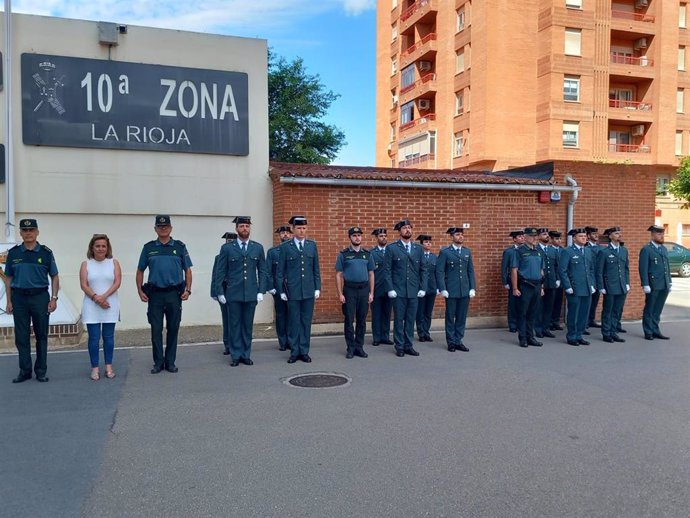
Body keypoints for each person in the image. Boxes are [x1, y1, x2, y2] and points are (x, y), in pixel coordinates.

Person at [136, 215, 193, 374]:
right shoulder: (148, 248)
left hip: (174, 294)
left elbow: (187, 270)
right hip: (155, 295)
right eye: (160, 227)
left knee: (173, 328)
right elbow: (140, 270)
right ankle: (158, 362)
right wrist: (140, 290)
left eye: (166, 226)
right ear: (155, 229)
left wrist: (188, 290)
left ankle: (170, 362)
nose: (163, 229)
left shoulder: (180, 247)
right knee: (156, 329)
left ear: (171, 228)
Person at [5, 218, 59, 383]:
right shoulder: (13, 254)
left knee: (41, 335)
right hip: (19, 298)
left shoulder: (46, 253)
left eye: (31, 230)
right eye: (25, 230)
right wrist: (9, 301)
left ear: (37, 232)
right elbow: (8, 279)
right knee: (21, 336)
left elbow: (54, 276)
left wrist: (54, 298)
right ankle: (25, 370)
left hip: (40, 298)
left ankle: (41, 371)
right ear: (20, 233)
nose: (28, 233)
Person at [215, 216, 268, 366]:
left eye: (247, 226)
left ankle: (246, 354)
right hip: (233, 293)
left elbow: (262, 270)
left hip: (251, 293)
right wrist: (219, 291)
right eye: (242, 226)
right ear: (236, 229)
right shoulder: (227, 248)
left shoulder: (257, 248)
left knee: (247, 325)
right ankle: (235, 355)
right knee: (234, 324)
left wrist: (261, 290)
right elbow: (221, 271)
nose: (245, 228)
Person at [276, 215, 321, 363]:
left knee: (306, 322)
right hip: (292, 291)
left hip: (308, 290)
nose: (302, 231)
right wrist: (281, 291)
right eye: (299, 228)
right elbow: (280, 272)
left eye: (304, 228)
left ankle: (304, 350)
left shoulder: (311, 245)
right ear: (293, 230)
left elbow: (316, 269)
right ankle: (294, 351)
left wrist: (317, 287)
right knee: (294, 321)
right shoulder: (285, 247)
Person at [79, 234, 122, 380]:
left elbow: (117, 282)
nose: (100, 248)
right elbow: (84, 284)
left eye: (103, 246)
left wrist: (103, 297)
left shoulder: (114, 263)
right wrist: (96, 298)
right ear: (92, 247)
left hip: (110, 304)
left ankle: (109, 367)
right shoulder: (86, 264)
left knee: (108, 337)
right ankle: (95, 368)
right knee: (94, 338)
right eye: (97, 246)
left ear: (107, 248)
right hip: (91, 305)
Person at [384, 219, 428, 357]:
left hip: (414, 291)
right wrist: (390, 288)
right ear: (399, 231)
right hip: (398, 291)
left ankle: (409, 345)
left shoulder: (418, 249)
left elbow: (423, 270)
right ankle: (399, 346)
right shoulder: (392, 248)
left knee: (410, 319)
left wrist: (423, 287)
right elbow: (387, 270)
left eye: (409, 228)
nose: (408, 230)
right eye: (405, 228)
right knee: (399, 319)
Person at [335, 226, 375, 359]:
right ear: (350, 238)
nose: (357, 238)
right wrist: (340, 293)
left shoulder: (367, 254)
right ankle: (350, 348)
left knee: (362, 320)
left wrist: (371, 293)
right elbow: (339, 275)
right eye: (354, 236)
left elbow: (371, 274)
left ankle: (359, 347)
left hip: (364, 290)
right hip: (349, 290)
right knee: (349, 320)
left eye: (359, 235)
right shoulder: (344, 254)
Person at [436, 227, 475, 352]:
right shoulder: (445, 252)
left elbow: (470, 271)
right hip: (451, 290)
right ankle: (451, 342)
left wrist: (472, 287)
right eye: (457, 235)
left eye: (461, 234)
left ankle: (459, 340)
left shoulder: (466, 252)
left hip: (464, 289)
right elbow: (440, 271)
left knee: (461, 317)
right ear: (451, 237)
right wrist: (442, 288)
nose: (460, 237)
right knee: (450, 316)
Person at [559, 228, 596, 346]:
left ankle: (579, 335)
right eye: (581, 236)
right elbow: (562, 270)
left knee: (584, 313)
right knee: (574, 313)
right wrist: (567, 286)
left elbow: (591, 269)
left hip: (587, 287)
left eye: (585, 236)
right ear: (574, 238)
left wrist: (592, 284)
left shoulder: (588, 251)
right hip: (574, 288)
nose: (584, 238)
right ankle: (572, 336)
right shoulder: (568, 251)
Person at [510, 227, 545, 348]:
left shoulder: (539, 251)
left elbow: (541, 270)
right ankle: (523, 338)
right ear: (525, 237)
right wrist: (515, 288)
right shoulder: (519, 251)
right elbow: (514, 270)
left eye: (536, 236)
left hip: (537, 285)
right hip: (524, 285)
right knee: (523, 313)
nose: (535, 238)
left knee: (532, 313)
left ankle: (531, 337)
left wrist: (541, 287)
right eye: (532, 236)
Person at [596, 226, 629, 343]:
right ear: (610, 236)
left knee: (617, 310)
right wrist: (601, 286)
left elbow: (626, 269)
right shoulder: (604, 252)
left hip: (621, 285)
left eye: (620, 233)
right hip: (610, 286)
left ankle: (613, 331)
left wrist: (627, 283)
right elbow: (599, 271)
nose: (619, 235)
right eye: (616, 233)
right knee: (608, 310)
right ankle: (606, 333)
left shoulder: (624, 250)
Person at [639, 225, 672, 340]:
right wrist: (645, 284)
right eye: (659, 234)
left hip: (664, 283)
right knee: (650, 308)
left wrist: (670, 281)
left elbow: (666, 266)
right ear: (652, 235)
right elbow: (643, 268)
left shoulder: (663, 249)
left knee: (658, 309)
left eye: (662, 234)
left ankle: (655, 330)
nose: (661, 236)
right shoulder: (646, 249)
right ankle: (648, 331)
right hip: (653, 284)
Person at [266, 225, 292, 351]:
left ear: (291, 235)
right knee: (281, 315)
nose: (285, 235)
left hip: (293, 288)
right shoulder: (272, 252)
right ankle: (283, 342)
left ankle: (292, 341)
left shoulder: (295, 250)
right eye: (283, 233)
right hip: (278, 288)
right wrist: (270, 286)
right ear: (279, 236)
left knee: (293, 315)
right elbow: (268, 271)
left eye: (287, 233)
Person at [211, 232, 236, 355]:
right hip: (224, 288)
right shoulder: (219, 256)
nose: (230, 242)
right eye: (228, 240)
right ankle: (227, 344)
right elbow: (215, 276)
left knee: (235, 319)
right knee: (226, 318)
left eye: (232, 240)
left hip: (235, 288)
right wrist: (215, 292)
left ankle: (236, 344)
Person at [370, 228, 393, 346]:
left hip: (389, 288)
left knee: (387, 313)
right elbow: (370, 272)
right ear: (376, 238)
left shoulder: (391, 251)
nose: (383, 238)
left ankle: (385, 336)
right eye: (381, 236)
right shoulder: (372, 253)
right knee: (376, 314)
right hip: (377, 288)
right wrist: (370, 291)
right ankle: (376, 337)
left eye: (385, 236)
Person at [535, 227, 558, 339]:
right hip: (540, 283)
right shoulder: (535, 249)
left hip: (552, 282)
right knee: (539, 307)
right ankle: (538, 328)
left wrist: (557, 279)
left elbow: (557, 266)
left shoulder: (552, 250)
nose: (547, 236)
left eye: (547, 234)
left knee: (549, 306)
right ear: (539, 236)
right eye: (544, 234)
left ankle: (546, 328)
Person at [415, 234, 437, 342]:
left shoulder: (435, 257)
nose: (428, 244)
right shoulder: (418, 256)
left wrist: (438, 287)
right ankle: (421, 333)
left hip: (432, 288)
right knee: (420, 312)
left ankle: (427, 332)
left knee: (428, 312)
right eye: (426, 242)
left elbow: (438, 273)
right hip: (420, 289)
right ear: (421, 244)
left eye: (430, 242)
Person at [502, 230, 524, 332]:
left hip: (524, 280)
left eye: (523, 236)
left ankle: (521, 324)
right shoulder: (509, 251)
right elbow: (504, 267)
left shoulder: (526, 250)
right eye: (519, 237)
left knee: (523, 302)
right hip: (512, 280)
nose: (522, 238)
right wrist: (505, 281)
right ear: (514, 239)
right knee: (513, 303)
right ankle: (512, 324)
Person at [585, 226, 602, 329]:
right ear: (588, 236)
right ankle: (585, 322)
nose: (596, 235)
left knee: (595, 301)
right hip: (589, 278)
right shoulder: (586, 248)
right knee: (587, 302)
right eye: (593, 234)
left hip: (597, 278)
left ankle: (591, 319)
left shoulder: (599, 247)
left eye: (597, 233)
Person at [548, 231, 565, 331]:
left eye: (559, 239)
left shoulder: (563, 250)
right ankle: (549, 322)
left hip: (561, 280)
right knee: (550, 302)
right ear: (551, 239)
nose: (559, 241)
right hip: (552, 280)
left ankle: (556, 321)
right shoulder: (549, 250)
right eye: (556, 239)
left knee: (558, 302)